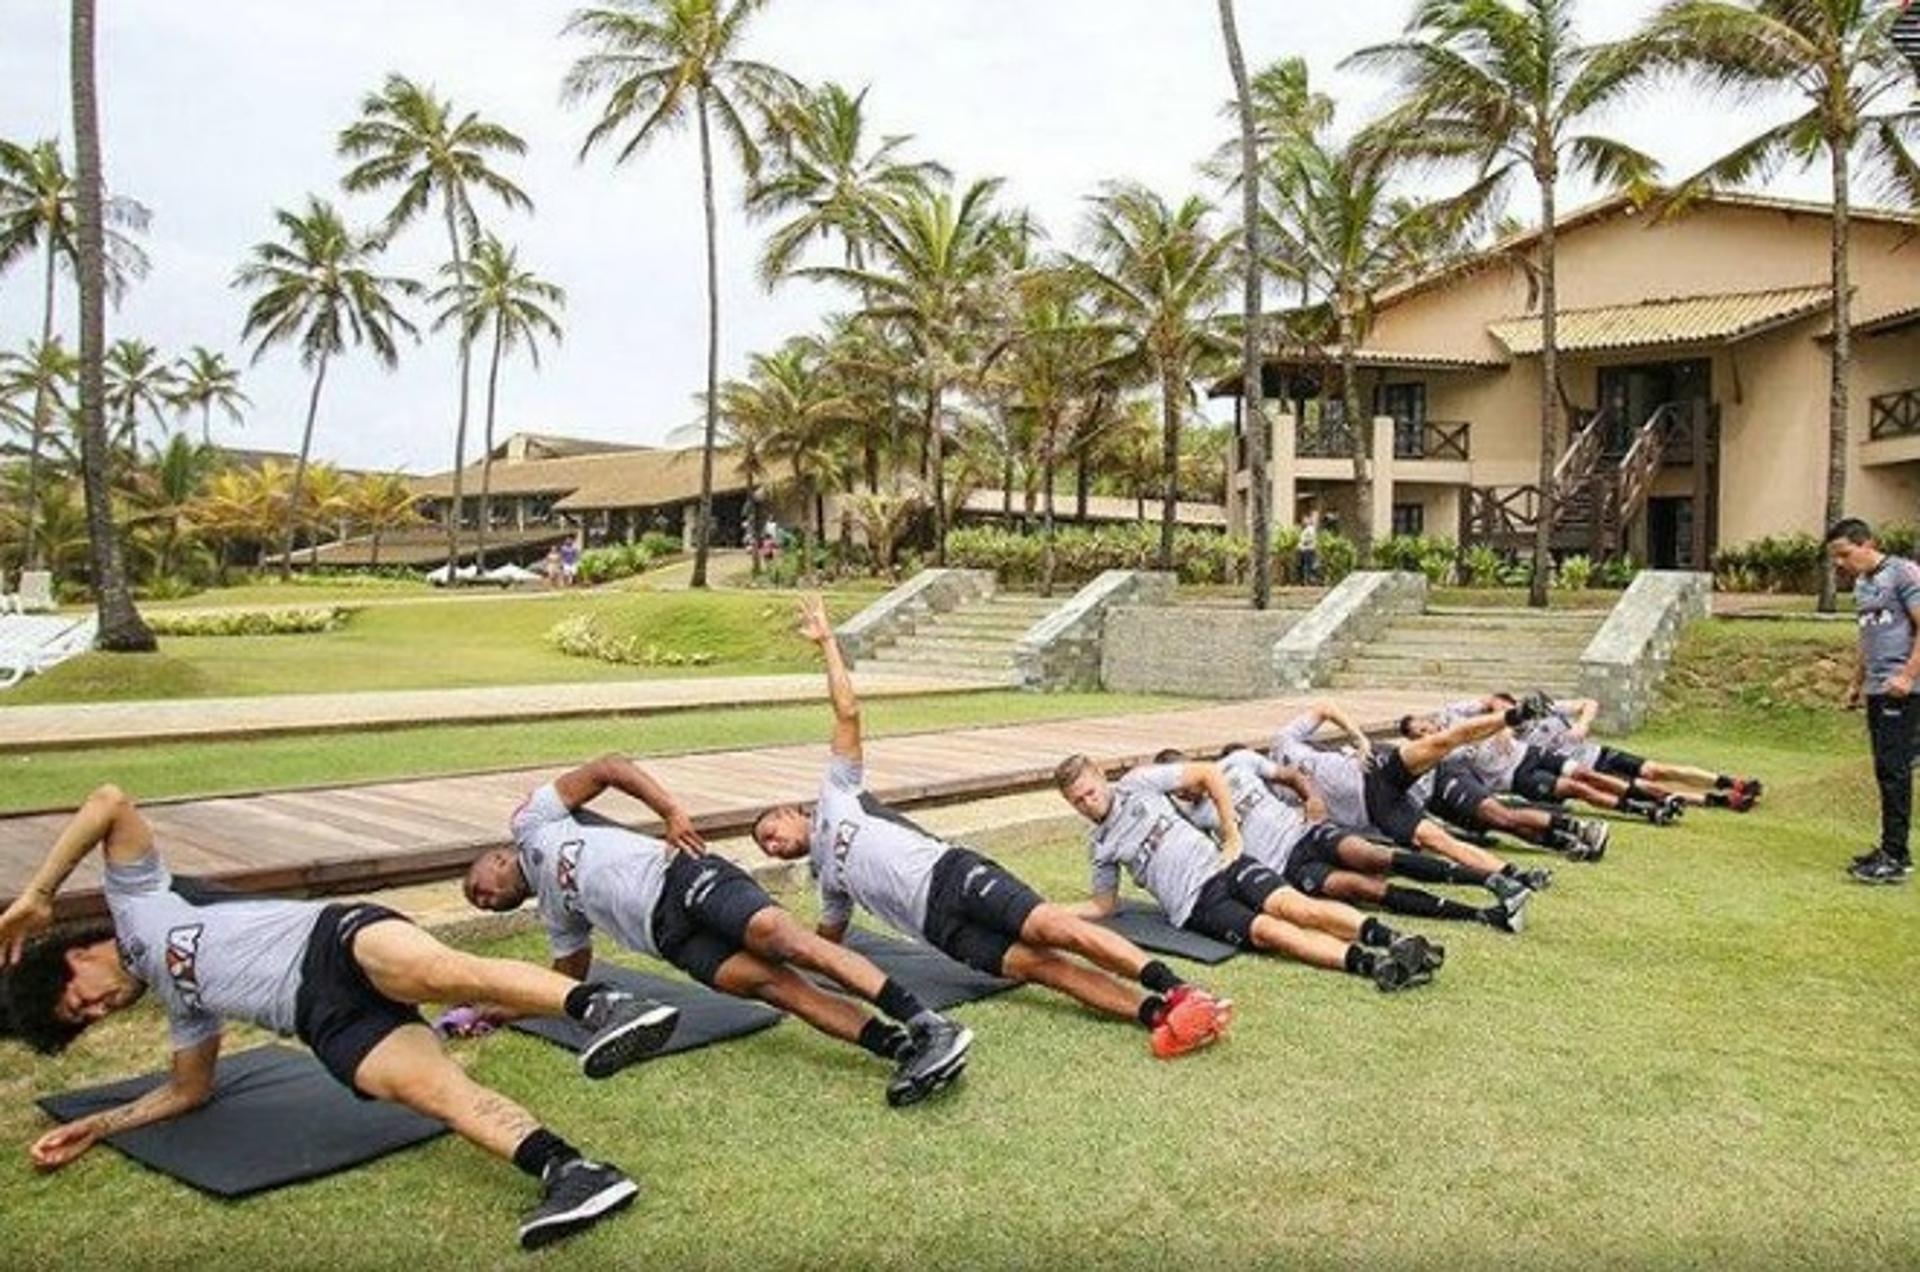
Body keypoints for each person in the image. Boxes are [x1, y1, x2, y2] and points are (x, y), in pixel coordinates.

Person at [0, 785, 674, 1251]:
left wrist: (37, 893)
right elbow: (189, 1089)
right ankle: (575, 1173)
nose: (96, 1010)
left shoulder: (137, 901)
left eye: (77, 999)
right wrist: (99, 1124)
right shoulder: (181, 1004)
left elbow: (110, 802)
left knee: (439, 973)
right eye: (83, 1021)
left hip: (331, 941)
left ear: (75, 954)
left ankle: (605, 1006)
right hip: (324, 1019)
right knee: (431, 1091)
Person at [752, 596, 1232, 1057]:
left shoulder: (836, 792)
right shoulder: (827, 884)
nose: (772, 844)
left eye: (771, 827)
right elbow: (826, 946)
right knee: (1045, 969)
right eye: (766, 846)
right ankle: (1157, 1014)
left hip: (952, 875)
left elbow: (848, 712)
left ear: (792, 810)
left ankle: (1179, 989)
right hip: (938, 929)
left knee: (1055, 927)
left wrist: (828, 644)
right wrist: (775, 956)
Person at [462, 753, 974, 1107]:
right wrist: (506, 1009)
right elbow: (567, 979)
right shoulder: (554, 913)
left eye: (477, 888)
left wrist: (670, 812)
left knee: (788, 942)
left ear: (497, 857)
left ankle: (928, 1023)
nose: (483, 901)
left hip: (681, 876)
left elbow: (608, 767)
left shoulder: (532, 824)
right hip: (671, 940)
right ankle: (902, 1050)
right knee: (779, 989)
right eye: (480, 905)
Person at [1055, 755, 1445, 993]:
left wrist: (1231, 834)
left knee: (1299, 908)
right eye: (1079, 801)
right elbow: (1102, 904)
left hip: (1226, 863)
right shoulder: (1100, 845)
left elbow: (1209, 774)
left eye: (1090, 792)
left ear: (1101, 778)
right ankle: (1373, 964)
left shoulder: (1138, 784)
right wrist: (1050, 912)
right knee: (1270, 931)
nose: (1088, 803)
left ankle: (1397, 940)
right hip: (1196, 904)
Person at [1156, 747, 1530, 932]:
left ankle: (1492, 881)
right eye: (1176, 790)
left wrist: (1314, 799)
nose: (1185, 793)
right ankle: (1486, 915)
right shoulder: (1186, 816)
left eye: (1183, 783)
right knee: (1363, 887)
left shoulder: (1236, 763)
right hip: (1286, 866)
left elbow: (1293, 776)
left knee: (1374, 856)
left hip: (1306, 831)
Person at [1273, 699, 1557, 892]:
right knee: (1440, 842)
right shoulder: (1272, 795)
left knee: (1441, 741)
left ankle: (1515, 715)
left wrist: (1358, 737)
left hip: (1373, 772)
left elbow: (1325, 707)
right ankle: (1515, 874)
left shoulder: (1283, 741)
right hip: (1376, 811)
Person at [1399, 701, 1687, 827]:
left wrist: (1502, 727)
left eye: (1423, 728)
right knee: (1577, 789)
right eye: (1418, 736)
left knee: (1586, 773)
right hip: (1515, 777)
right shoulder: (1439, 754)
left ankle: (1653, 796)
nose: (1425, 734)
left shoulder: (1453, 713)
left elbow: (1497, 703)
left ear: (1427, 720)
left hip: (1528, 752)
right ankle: (1639, 810)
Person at [1829, 518, 1920, 884]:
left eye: (1844, 554)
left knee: (1895, 769)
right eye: (1835, 557)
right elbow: (1867, 639)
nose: (1840, 563)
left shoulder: (1903, 574)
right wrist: (1856, 683)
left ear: (1867, 544)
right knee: (1885, 768)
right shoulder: (1864, 586)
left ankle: (1895, 857)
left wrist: (1907, 676)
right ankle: (1891, 848)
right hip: (1877, 689)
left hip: (1904, 689)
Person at [1506, 694, 1761, 811]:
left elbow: (1589, 702)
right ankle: (1722, 801)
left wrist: (1583, 724)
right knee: (1645, 788)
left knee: (1657, 770)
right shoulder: (1513, 739)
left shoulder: (1547, 709)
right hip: (1589, 773)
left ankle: (1731, 783)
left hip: (1598, 754)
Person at [1297, 509, 1321, 585]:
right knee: (1305, 566)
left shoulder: (1310, 529)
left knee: (1308, 566)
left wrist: (1303, 543)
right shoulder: (1306, 529)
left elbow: (1310, 540)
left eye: (1305, 519)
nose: (1303, 521)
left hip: (1308, 550)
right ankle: (1305, 581)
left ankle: (1308, 581)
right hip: (1305, 550)